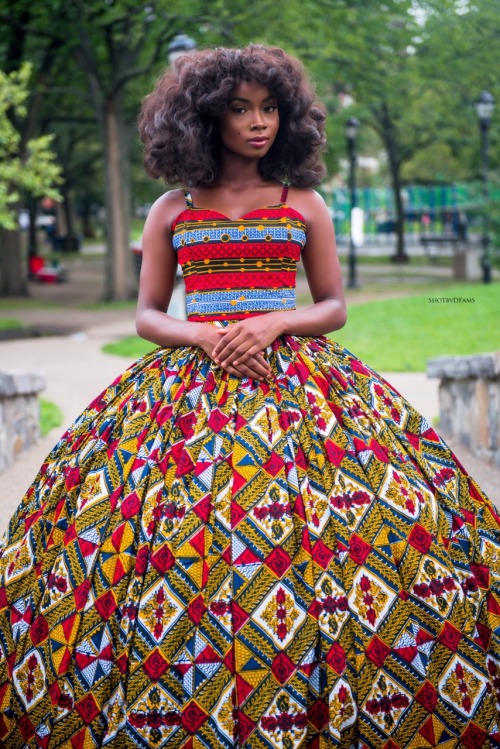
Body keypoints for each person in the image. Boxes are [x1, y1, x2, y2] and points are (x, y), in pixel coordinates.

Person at [0, 44, 499, 749]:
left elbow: (332, 304)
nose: (258, 123)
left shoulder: (304, 202)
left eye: (269, 108)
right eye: (240, 109)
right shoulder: (173, 208)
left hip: (301, 381)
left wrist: (276, 320)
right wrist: (203, 337)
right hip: (188, 388)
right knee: (160, 540)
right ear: (205, 118)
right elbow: (148, 316)